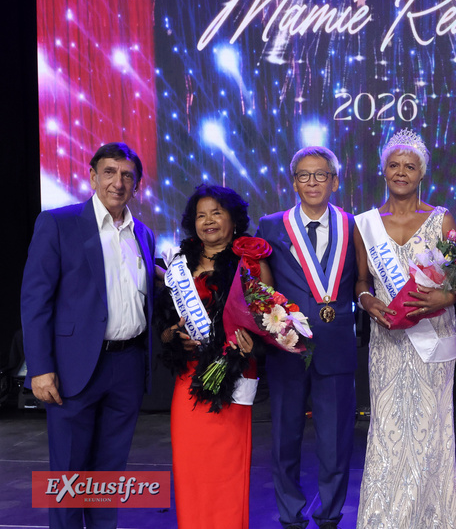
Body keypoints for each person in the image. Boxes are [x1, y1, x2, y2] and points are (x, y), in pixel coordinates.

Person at [21, 142, 156, 529]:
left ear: (137, 185)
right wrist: (40, 369)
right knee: (68, 473)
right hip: (72, 368)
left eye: (127, 175)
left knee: (109, 473)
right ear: (93, 176)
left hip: (127, 366)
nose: (118, 182)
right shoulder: (58, 224)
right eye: (110, 172)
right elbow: (35, 301)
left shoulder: (143, 234)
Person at [354, 129, 456, 528]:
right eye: (394, 165)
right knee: (387, 430)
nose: (401, 172)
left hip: (431, 341)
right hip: (387, 341)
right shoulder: (365, 224)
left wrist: (445, 299)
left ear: (422, 174)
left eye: (410, 166)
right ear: (383, 170)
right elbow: (362, 282)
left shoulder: (441, 218)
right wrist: (368, 302)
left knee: (430, 431)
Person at [256, 146, 358, 529]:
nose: (312, 182)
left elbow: (362, 279)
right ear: (293, 180)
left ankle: (330, 514)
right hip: (287, 349)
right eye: (304, 175)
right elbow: (259, 287)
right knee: (285, 438)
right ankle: (290, 515)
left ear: (335, 180)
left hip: (336, 347)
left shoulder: (354, 224)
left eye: (320, 175)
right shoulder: (270, 225)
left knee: (335, 442)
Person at [157, 184, 269, 529]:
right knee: (191, 466)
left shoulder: (250, 264)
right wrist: (175, 336)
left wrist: (252, 343)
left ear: (233, 220)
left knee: (226, 466)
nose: (208, 221)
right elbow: (162, 329)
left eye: (216, 213)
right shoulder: (178, 266)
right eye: (201, 215)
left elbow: (267, 321)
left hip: (230, 375)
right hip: (188, 376)